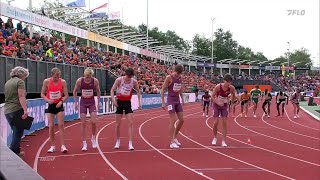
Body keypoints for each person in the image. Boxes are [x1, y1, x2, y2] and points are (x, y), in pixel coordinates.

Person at [110, 68, 141, 151]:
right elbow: (112, 90)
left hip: (127, 103)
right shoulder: (119, 80)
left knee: (130, 123)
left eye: (130, 77)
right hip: (119, 102)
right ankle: (118, 141)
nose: (128, 78)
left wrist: (139, 102)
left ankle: (130, 143)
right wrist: (113, 100)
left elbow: (138, 91)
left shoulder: (134, 81)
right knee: (117, 124)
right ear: (125, 74)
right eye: (127, 77)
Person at [41, 68, 69, 153]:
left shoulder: (63, 82)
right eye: (56, 76)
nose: (57, 78)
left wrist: (61, 101)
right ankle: (52, 146)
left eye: (58, 76)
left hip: (59, 105)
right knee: (51, 126)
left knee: (61, 125)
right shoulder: (46, 82)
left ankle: (63, 145)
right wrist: (47, 99)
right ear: (52, 75)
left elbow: (66, 95)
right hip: (50, 105)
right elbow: (42, 94)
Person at [73, 68, 101, 151]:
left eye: (89, 77)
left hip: (91, 103)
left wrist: (98, 103)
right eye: (86, 77)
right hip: (83, 103)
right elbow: (74, 91)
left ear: (91, 76)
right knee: (83, 123)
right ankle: (84, 142)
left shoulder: (95, 81)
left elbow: (98, 91)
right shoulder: (79, 81)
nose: (87, 79)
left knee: (94, 121)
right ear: (84, 76)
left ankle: (93, 137)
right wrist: (75, 103)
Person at [4, 67, 29, 157]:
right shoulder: (20, 82)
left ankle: (17, 151)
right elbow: (21, 96)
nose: (25, 78)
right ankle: (13, 154)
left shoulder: (8, 82)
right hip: (16, 109)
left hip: (7, 110)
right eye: (25, 76)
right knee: (18, 132)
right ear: (21, 74)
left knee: (15, 131)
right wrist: (25, 110)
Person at [210, 74, 238, 147]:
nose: (229, 83)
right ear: (224, 81)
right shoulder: (218, 87)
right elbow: (212, 96)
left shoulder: (231, 88)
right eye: (227, 82)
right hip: (216, 105)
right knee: (216, 122)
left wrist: (231, 104)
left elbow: (233, 95)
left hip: (224, 106)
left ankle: (224, 141)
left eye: (230, 82)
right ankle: (215, 137)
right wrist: (217, 102)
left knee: (224, 123)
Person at [161, 64, 185, 149]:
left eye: (179, 73)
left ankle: (175, 137)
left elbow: (180, 89)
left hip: (177, 100)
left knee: (181, 120)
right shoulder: (169, 77)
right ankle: (171, 142)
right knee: (173, 119)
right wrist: (163, 102)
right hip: (170, 100)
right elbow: (163, 89)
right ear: (174, 71)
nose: (178, 75)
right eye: (177, 73)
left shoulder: (181, 78)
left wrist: (182, 99)